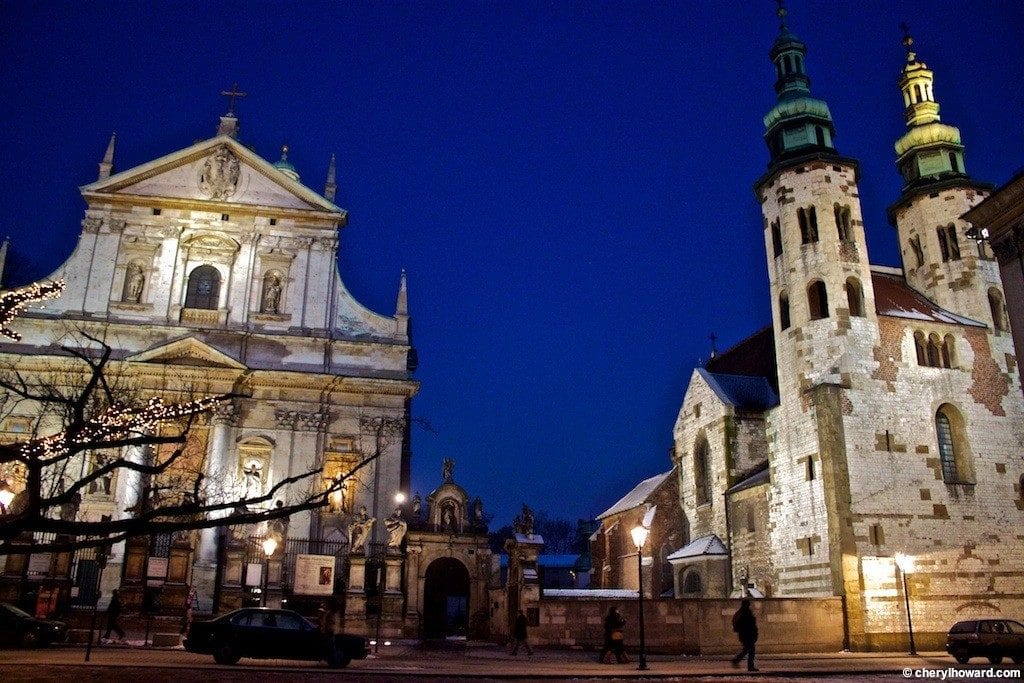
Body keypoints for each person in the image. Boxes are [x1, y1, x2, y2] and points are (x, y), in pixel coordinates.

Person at [731, 598, 759, 672]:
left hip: (745, 635)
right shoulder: (746, 612)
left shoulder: (741, 612)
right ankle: (749, 666)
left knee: (747, 649)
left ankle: (737, 661)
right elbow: (751, 625)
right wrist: (754, 633)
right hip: (748, 635)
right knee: (750, 650)